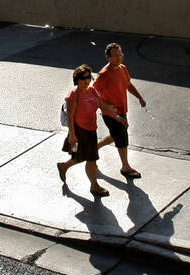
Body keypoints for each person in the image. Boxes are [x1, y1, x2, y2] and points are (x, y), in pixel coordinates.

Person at [56, 64, 122, 198]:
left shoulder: (92, 90)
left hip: (91, 130)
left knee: (80, 157)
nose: (88, 80)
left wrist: (117, 117)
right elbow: (70, 118)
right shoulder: (74, 95)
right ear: (77, 79)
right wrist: (72, 136)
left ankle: (64, 166)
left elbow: (102, 105)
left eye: (89, 77)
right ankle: (94, 186)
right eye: (84, 78)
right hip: (79, 132)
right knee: (90, 159)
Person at [95, 42, 147, 179]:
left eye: (120, 54)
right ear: (108, 57)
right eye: (115, 55)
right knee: (122, 137)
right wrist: (105, 106)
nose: (119, 58)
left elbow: (128, 85)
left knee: (116, 135)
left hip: (122, 110)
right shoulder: (104, 74)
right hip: (111, 113)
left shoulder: (122, 68)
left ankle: (94, 148)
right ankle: (125, 167)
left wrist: (140, 97)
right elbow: (93, 93)